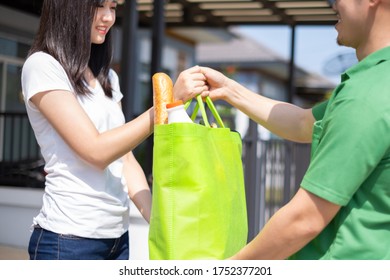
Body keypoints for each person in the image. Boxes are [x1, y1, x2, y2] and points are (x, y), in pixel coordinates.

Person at [200, 0, 390, 260]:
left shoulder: (366, 95)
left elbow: (305, 219)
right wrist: (229, 90)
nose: (332, 4)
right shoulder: (380, 81)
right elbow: (302, 123)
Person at [21, 0, 207, 260]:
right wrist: (164, 106)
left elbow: (125, 158)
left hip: (117, 238)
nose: (108, 17)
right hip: (69, 239)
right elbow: (95, 150)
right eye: (99, 6)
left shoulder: (106, 77)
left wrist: (157, 220)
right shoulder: (43, 66)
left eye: (113, 7)